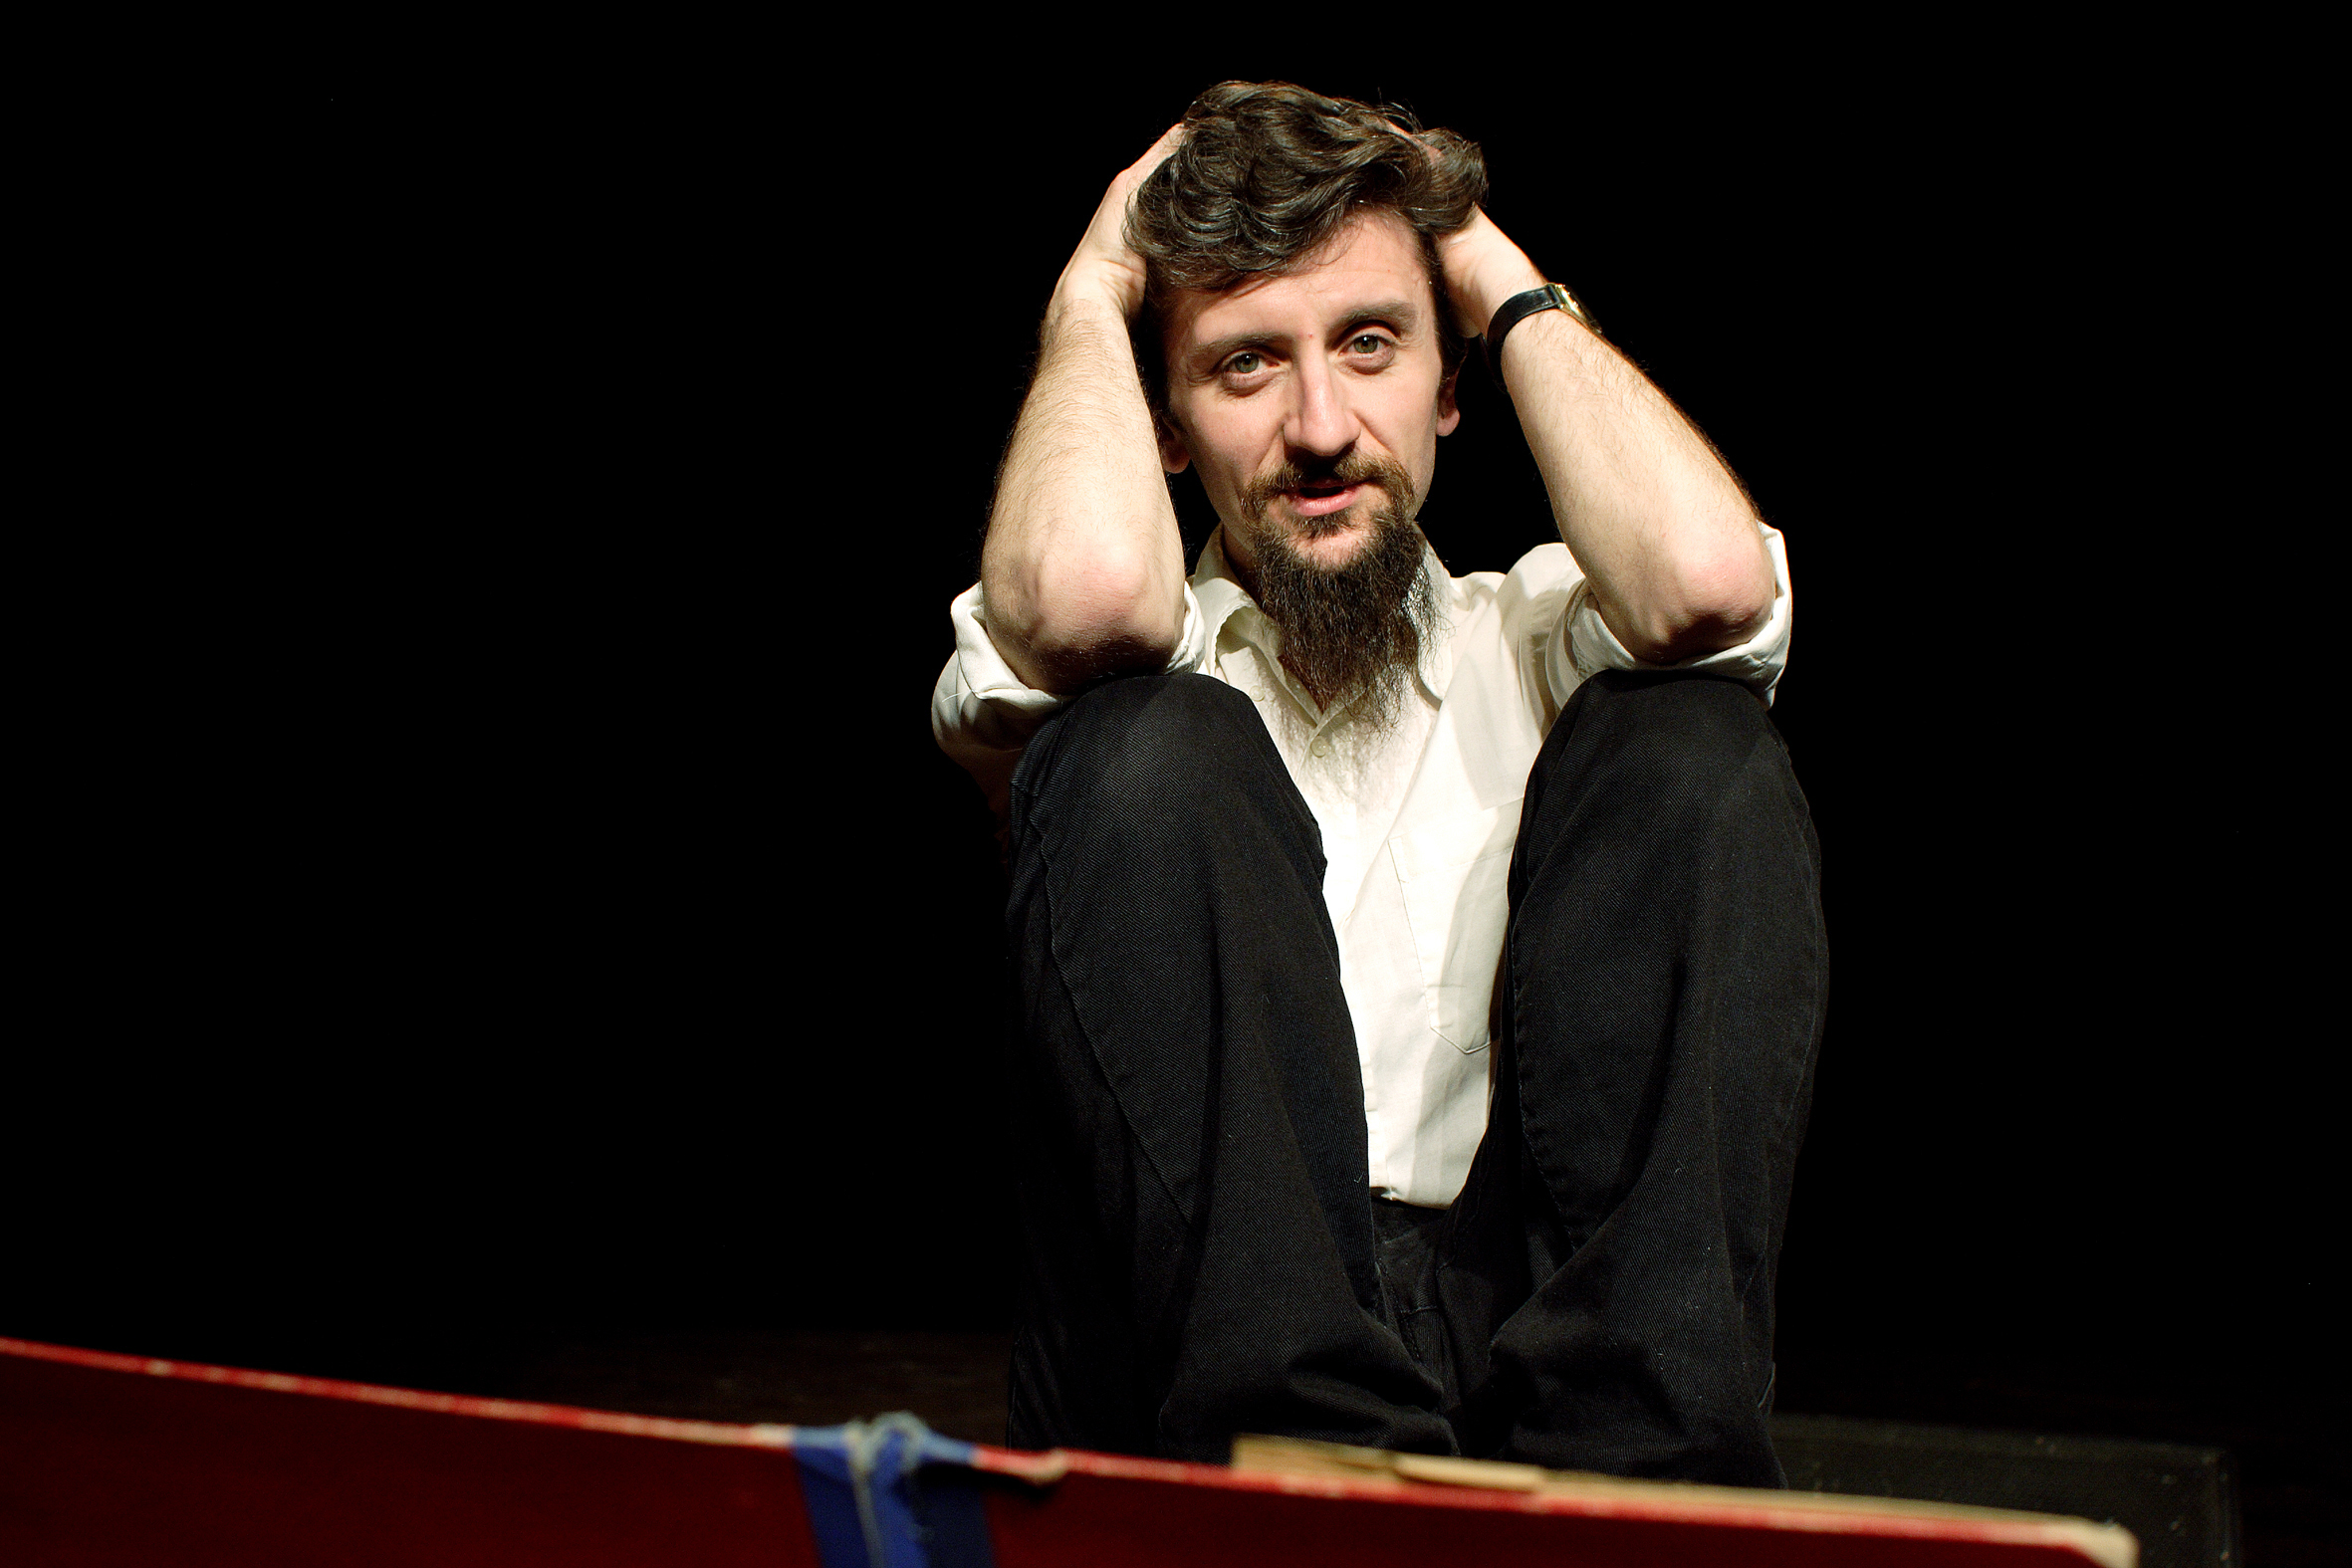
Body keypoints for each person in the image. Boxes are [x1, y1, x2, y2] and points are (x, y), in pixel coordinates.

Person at [931, 82, 1825, 1486]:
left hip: (1531, 1342)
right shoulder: (1109, 658)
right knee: (1138, 744)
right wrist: (1091, 292)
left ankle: (1642, 1481)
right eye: (1244, 366)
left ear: (1451, 384)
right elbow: (1095, 597)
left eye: (1370, 345)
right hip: (1188, 1378)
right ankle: (1309, 1493)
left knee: (1696, 746)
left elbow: (1709, 588)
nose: (1321, 426)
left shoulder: (1540, 636)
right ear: (1164, 424)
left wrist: (1482, 260)